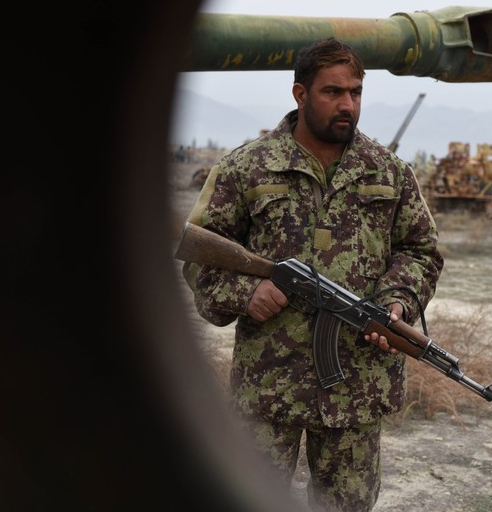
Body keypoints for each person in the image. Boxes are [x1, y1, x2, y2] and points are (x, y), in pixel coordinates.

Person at [181, 37, 444, 512]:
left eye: (356, 93)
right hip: (268, 385)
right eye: (333, 92)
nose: (348, 105)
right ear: (300, 94)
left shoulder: (390, 173)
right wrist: (246, 291)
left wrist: (397, 301)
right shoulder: (245, 168)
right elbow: (199, 258)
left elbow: (421, 250)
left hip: (357, 388)